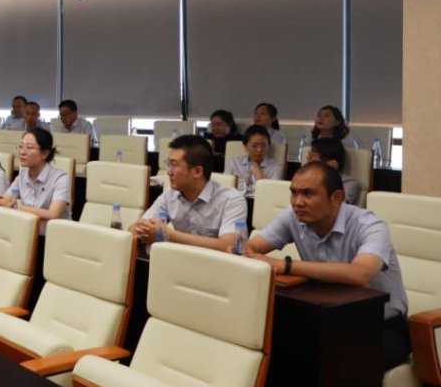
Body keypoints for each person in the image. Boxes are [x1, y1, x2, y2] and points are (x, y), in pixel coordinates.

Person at [248, 162, 410, 370]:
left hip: (381, 325)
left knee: (327, 365)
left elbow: (359, 273)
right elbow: (251, 248)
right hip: (327, 317)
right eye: (293, 193)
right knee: (271, 349)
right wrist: (241, 249)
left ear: (336, 198)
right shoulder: (293, 216)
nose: (297, 202)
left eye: (308, 193)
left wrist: (286, 265)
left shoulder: (370, 226)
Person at [131, 134, 247, 251]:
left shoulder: (232, 200)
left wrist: (169, 235)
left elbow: (229, 246)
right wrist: (141, 229)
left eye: (174, 164)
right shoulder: (169, 196)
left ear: (197, 172)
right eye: (168, 164)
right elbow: (136, 228)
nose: (168, 172)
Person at [0, 128, 70, 235]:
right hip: (27, 233)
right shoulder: (21, 176)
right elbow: (9, 198)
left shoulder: (60, 178)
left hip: (54, 236)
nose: (22, 152)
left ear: (44, 153)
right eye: (21, 146)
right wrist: (0, 201)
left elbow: (53, 214)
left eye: (29, 147)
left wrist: (15, 206)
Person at [308, 138, 359, 204]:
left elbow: (337, 205)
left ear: (330, 161)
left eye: (313, 156)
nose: (309, 159)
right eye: (310, 156)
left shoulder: (348, 183)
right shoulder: (306, 178)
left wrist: (330, 175)